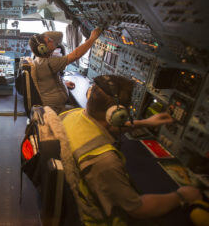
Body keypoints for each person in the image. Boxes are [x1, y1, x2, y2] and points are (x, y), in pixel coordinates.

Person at [60, 75, 202, 225]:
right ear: (118, 115)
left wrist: (144, 123)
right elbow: (138, 210)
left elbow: (102, 126)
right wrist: (181, 196)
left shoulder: (69, 115)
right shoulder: (105, 161)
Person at [28, 27, 102, 114]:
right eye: (49, 41)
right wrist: (92, 38)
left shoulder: (39, 60)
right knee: (88, 113)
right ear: (42, 48)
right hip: (55, 109)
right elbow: (75, 55)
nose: (52, 41)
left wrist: (63, 83)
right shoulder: (47, 63)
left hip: (54, 105)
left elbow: (47, 80)